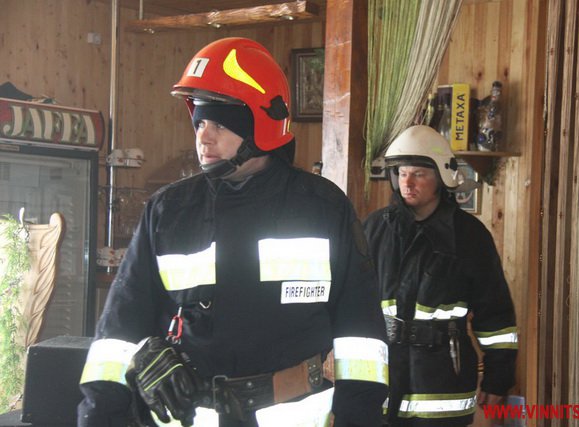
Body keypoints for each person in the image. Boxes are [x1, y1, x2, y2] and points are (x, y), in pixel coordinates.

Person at [78, 37, 389, 427]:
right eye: (199, 122)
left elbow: (361, 339)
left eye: (219, 124)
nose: (203, 136)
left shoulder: (323, 208)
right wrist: (139, 358)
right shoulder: (168, 211)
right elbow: (117, 334)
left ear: (262, 125)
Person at [363, 125, 518, 426]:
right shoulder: (374, 229)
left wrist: (499, 378)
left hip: (442, 388)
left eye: (418, 174)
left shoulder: (469, 237)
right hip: (381, 382)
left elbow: (496, 314)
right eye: (401, 173)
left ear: (442, 177)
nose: (407, 182)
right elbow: (352, 301)